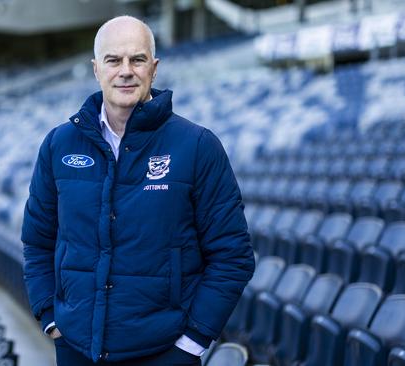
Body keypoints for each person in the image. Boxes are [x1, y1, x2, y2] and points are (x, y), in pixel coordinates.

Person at [21, 15, 254, 366]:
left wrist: (192, 343)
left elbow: (233, 255)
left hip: (163, 352)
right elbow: (37, 241)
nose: (125, 71)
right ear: (96, 69)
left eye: (137, 59)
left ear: (154, 68)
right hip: (77, 349)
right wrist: (52, 319)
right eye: (113, 60)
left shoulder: (197, 146)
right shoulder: (58, 144)